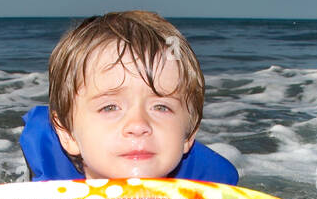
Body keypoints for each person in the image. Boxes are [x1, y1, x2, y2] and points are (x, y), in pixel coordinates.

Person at [20, 11, 239, 184]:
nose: (138, 125)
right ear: (67, 134)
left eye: (161, 107)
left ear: (189, 135)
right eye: (110, 107)